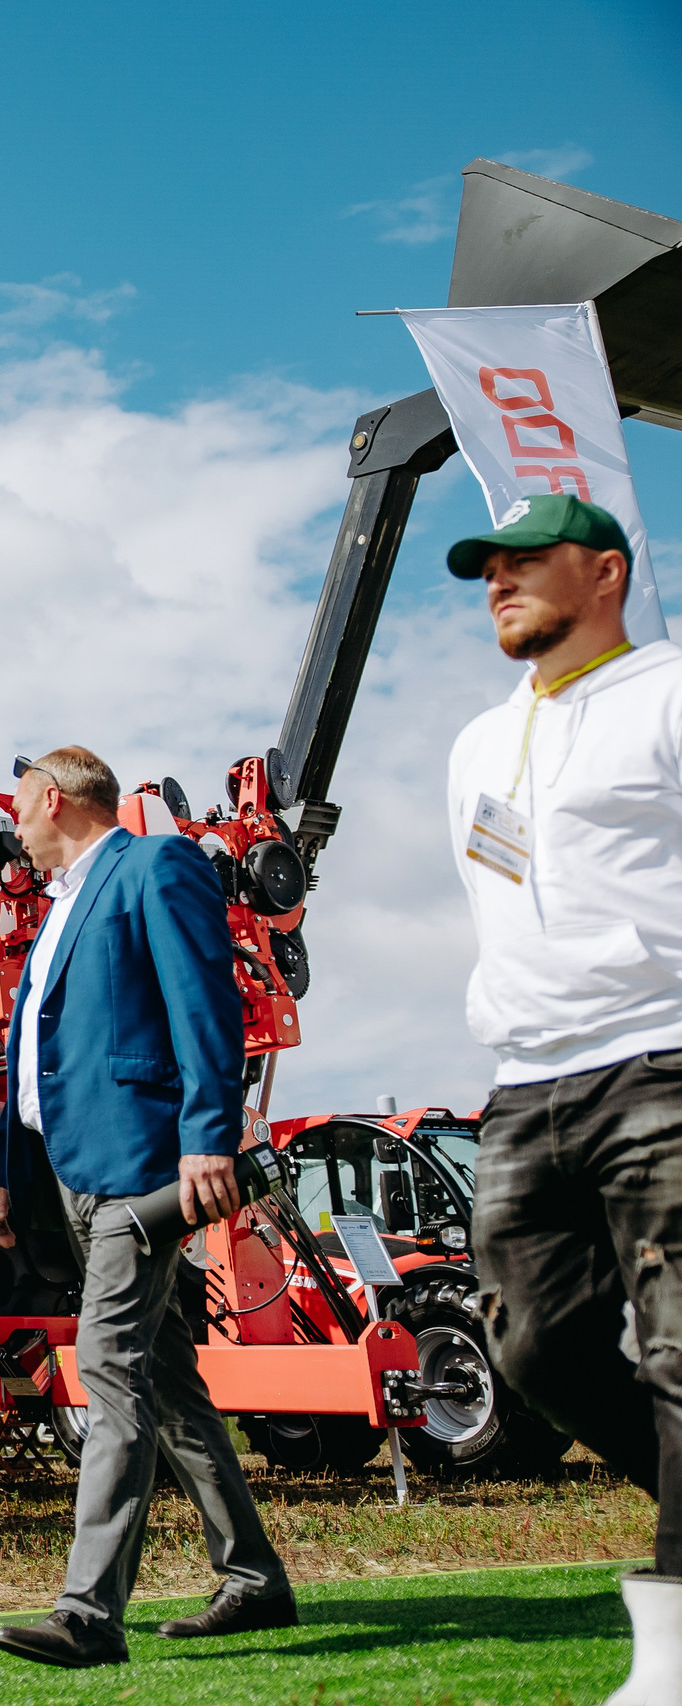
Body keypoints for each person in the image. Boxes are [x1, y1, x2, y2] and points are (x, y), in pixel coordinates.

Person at [441, 494, 682, 1704]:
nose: (497, 581)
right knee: (531, 1342)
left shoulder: (671, 692)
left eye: (524, 562)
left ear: (604, 570)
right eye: (486, 567)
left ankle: (674, 1645)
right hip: (526, 1082)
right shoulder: (476, 745)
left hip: (664, 1052)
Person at [0, 745, 292, 1670]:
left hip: (141, 1168)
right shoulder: (55, 909)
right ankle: (255, 1578)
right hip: (67, 1170)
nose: (13, 824)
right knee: (165, 1381)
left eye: (19, 806)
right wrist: (6, 1163)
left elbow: (206, 1005)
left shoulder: (156, 864)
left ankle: (89, 1613)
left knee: (108, 1370)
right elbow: (34, 1051)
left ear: (53, 797)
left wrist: (210, 1137)